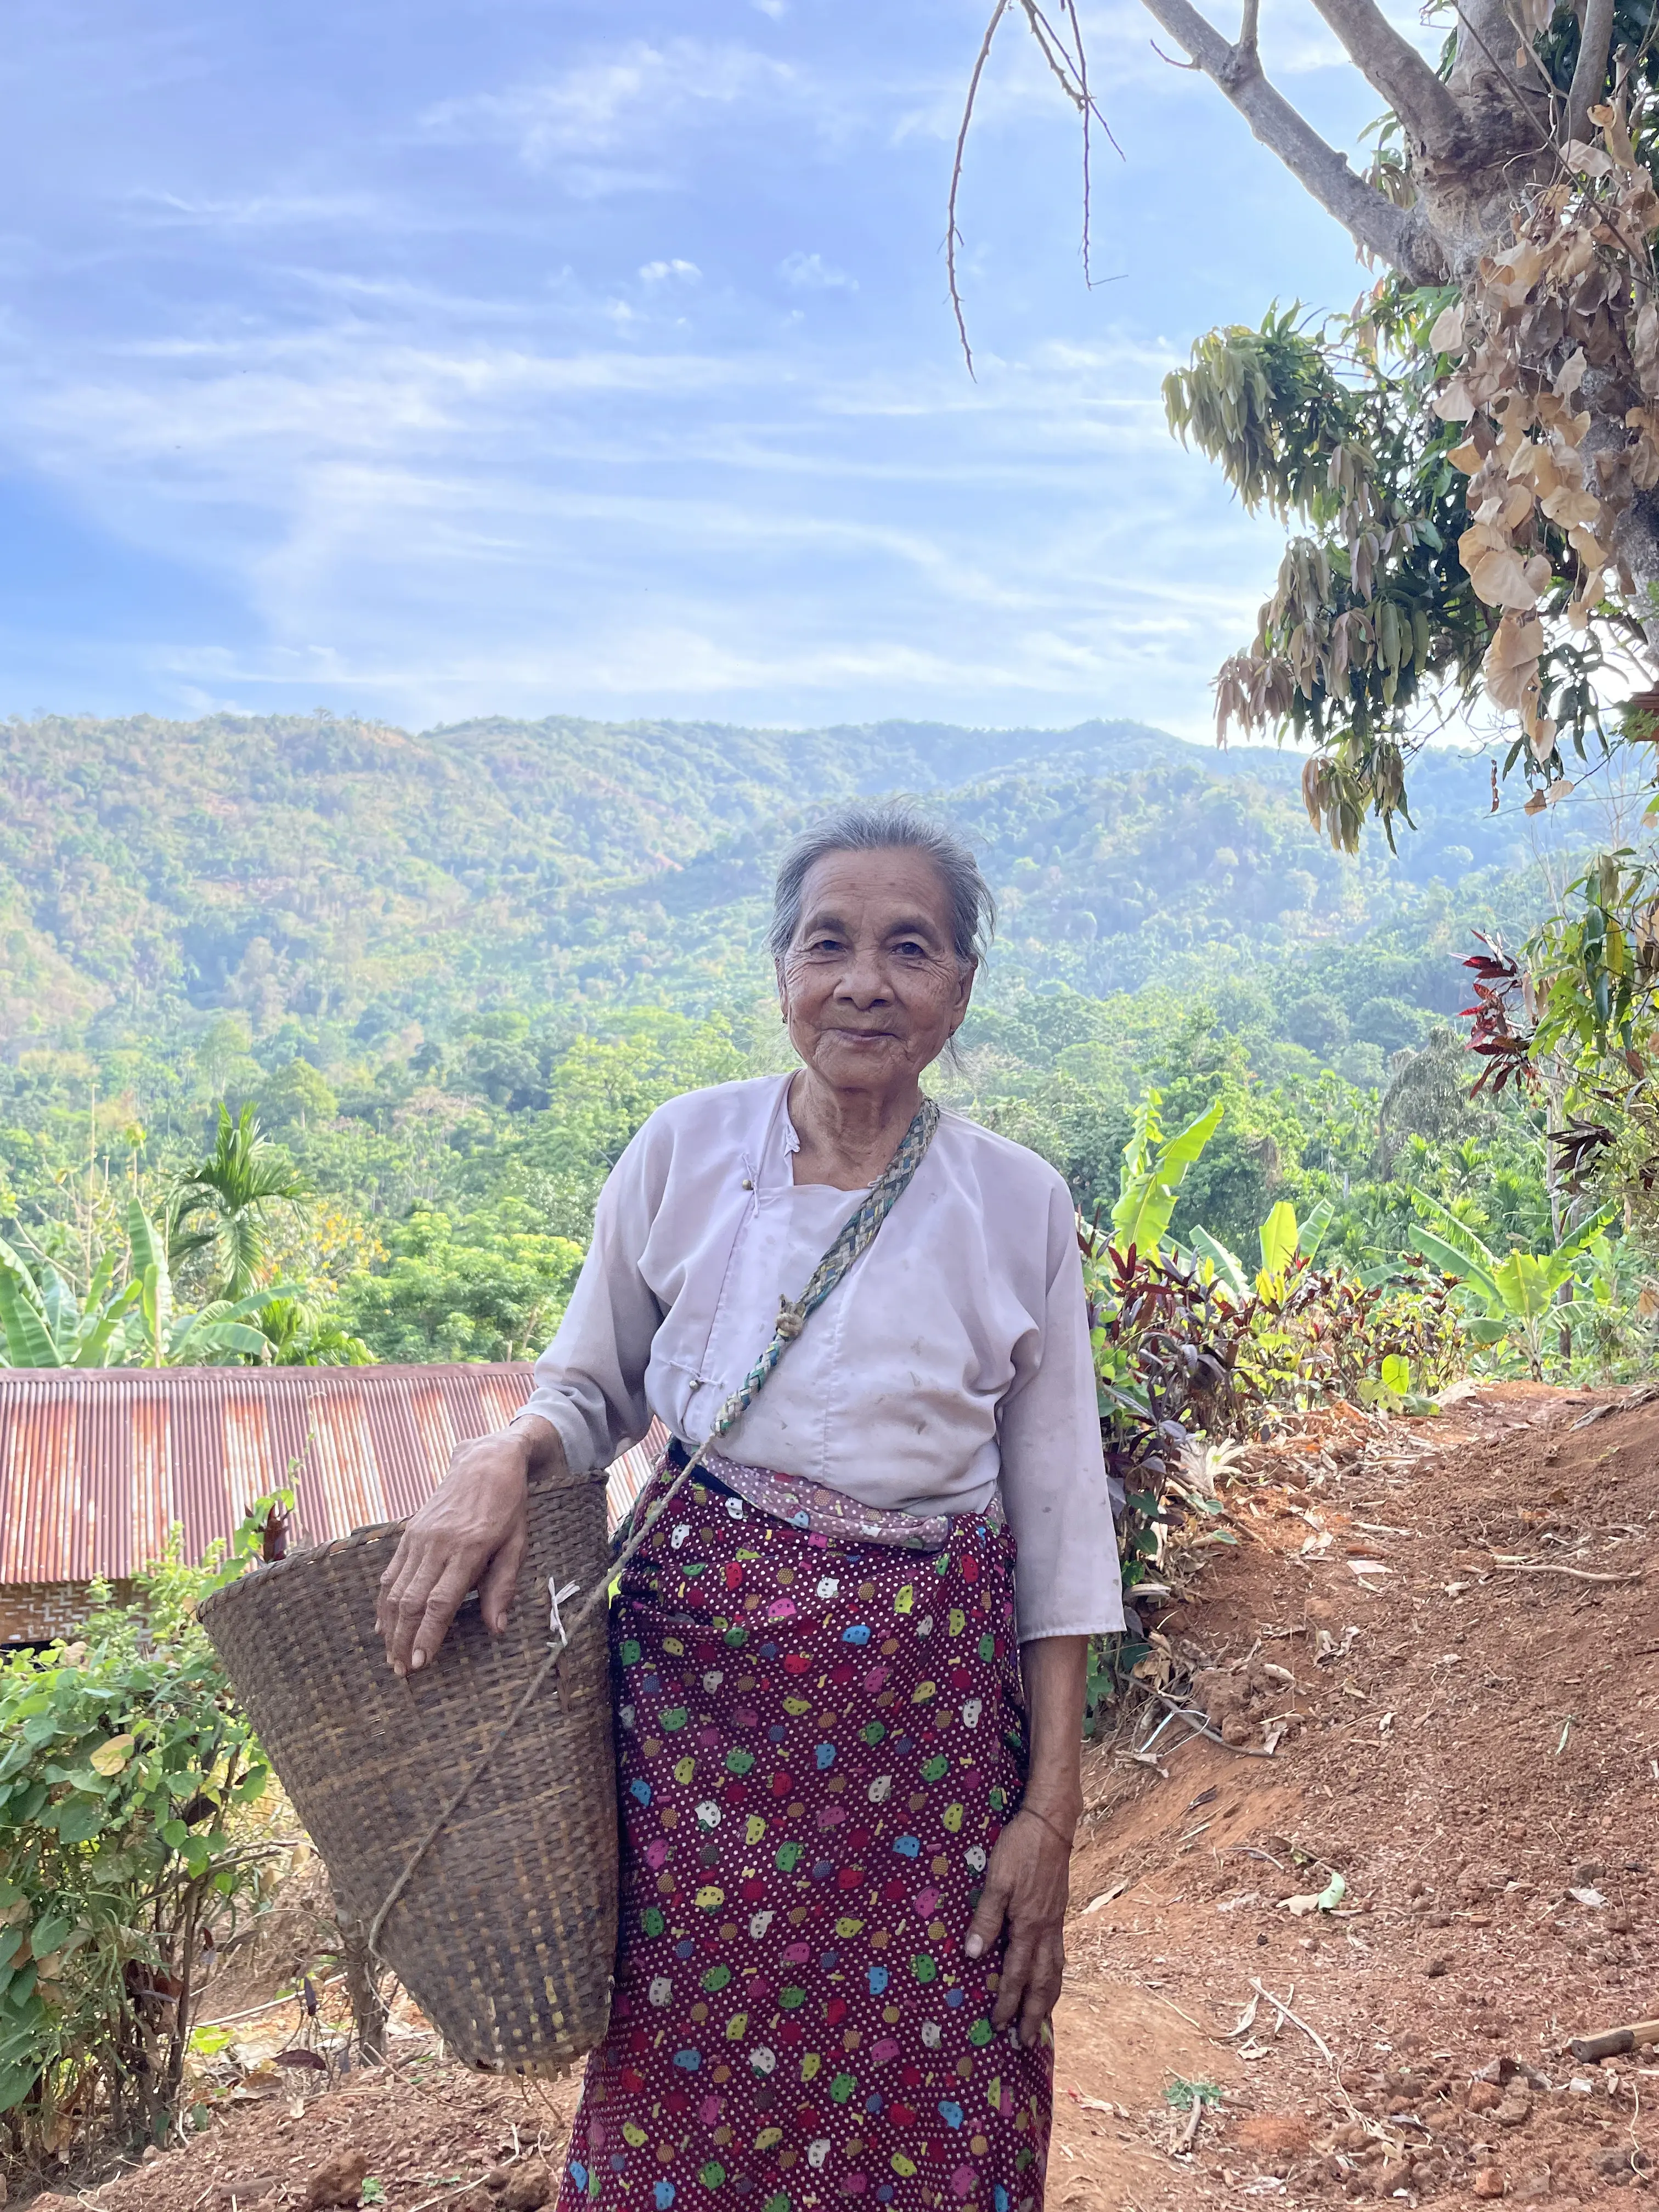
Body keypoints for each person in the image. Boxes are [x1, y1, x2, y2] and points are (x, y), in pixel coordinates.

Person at [377, 804, 1124, 2212]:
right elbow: (588, 1388)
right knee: (682, 2067)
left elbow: (1062, 1531)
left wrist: (1049, 1815)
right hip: (692, 1728)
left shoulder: (1017, 1204)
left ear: (962, 986)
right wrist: (505, 1450)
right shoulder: (683, 1152)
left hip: (933, 1736)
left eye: (911, 947)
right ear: (781, 969)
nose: (865, 981)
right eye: (828, 943)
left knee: (951, 2061)